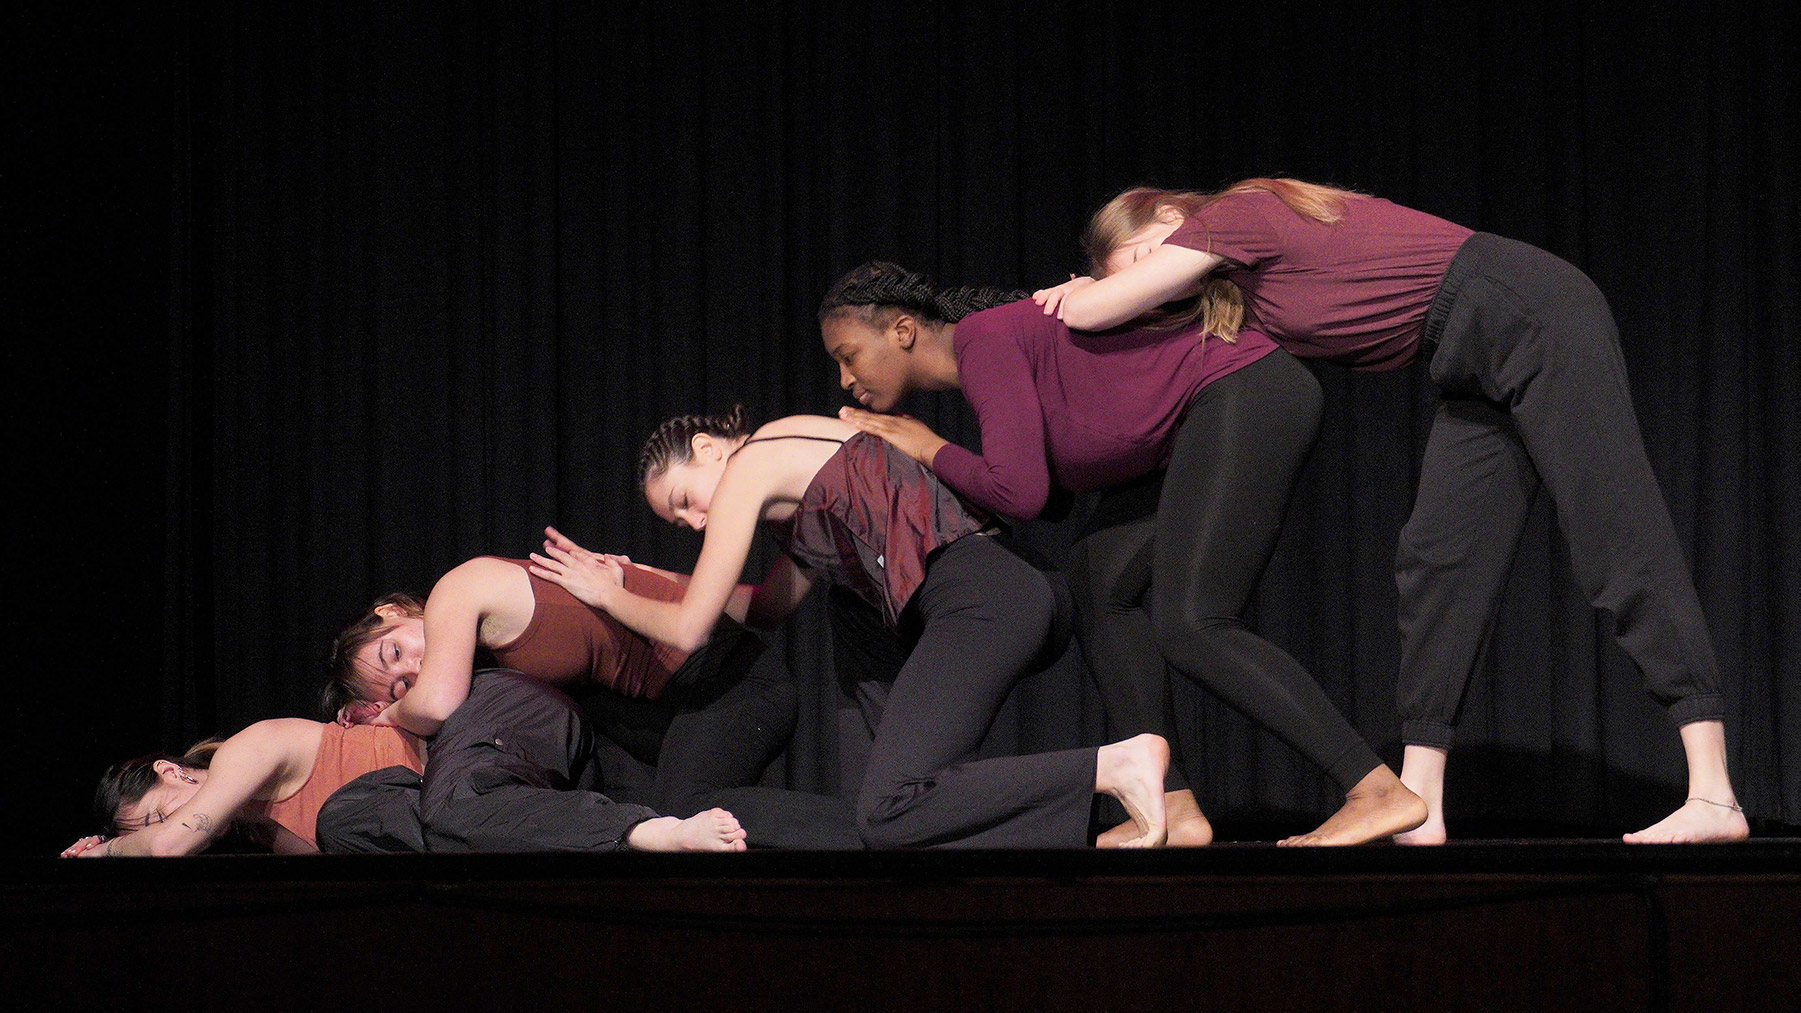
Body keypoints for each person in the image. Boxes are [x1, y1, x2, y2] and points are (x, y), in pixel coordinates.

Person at [1036, 177, 1747, 844]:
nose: (1138, 283)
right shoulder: (1237, 296)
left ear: (1166, 217)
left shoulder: (1235, 215)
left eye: (1133, 261)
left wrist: (1087, 292)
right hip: (1466, 359)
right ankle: (1421, 801)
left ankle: (1713, 794)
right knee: (1438, 559)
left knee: (1612, 531)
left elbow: (1101, 307)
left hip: (1527, 307)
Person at [823, 262, 1426, 846]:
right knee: (1094, 583)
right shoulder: (991, 351)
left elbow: (1021, 493)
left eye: (848, 356)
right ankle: (1173, 806)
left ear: (902, 330)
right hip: (1193, 428)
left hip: (1242, 393)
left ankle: (1374, 788)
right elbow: (1051, 492)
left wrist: (930, 449)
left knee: (1194, 623)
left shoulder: (982, 339)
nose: (846, 379)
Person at [527, 407, 1172, 849]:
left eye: (686, 502)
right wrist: (649, 579)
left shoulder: (753, 462)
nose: (696, 523)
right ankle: (1070, 820)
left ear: (706, 448)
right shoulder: (804, 481)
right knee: (883, 819)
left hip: (981, 595)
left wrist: (610, 595)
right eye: (680, 525)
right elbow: (765, 608)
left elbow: (692, 628)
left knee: (889, 808)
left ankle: (1112, 766)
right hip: (1006, 591)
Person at [323, 555, 859, 849]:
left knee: (690, 805)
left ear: (393, 611)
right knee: (658, 820)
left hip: (730, 678)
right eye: (396, 685)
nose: (413, 672)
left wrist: (394, 711)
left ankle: (880, 834)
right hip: (672, 707)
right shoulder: (486, 653)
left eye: (395, 652)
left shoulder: (457, 588)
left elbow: (436, 705)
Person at [62, 669, 747, 857]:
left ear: (175, 771)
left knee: (349, 811)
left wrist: (106, 856)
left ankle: (640, 832)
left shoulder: (254, 744)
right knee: (362, 828)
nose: (159, 832)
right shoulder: (267, 834)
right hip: (518, 809)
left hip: (502, 719)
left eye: (152, 816)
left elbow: (179, 840)